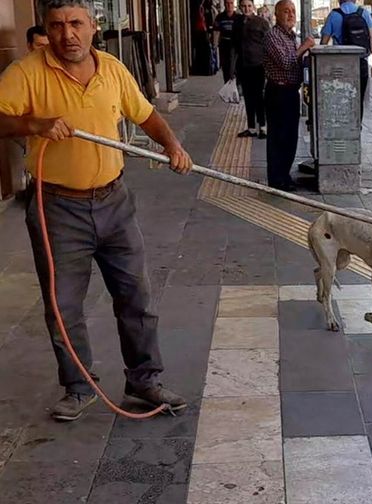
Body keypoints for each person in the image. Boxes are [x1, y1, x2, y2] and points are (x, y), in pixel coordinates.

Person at [0, 0, 193, 422]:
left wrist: (172, 145)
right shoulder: (26, 73)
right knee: (63, 304)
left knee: (135, 295)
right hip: (57, 207)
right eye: (57, 26)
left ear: (93, 27)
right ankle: (77, 386)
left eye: (75, 24)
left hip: (114, 201)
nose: (67, 34)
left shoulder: (112, 69)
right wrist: (35, 124)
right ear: (46, 32)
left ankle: (144, 380)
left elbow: (144, 114)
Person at [264, 0, 314, 191]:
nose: (291, 15)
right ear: (277, 15)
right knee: (278, 137)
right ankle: (276, 180)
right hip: (278, 92)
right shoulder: (273, 36)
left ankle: (285, 175)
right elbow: (285, 62)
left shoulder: (291, 37)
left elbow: (294, 63)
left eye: (293, 11)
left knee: (290, 138)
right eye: (286, 11)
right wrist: (304, 47)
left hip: (291, 92)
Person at [321, 0, 372, 120]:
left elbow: (323, 44)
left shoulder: (334, 15)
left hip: (339, 65)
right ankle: (356, 129)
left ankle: (342, 127)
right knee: (358, 100)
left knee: (340, 99)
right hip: (361, 63)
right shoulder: (364, 13)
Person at [234, 0, 271, 138]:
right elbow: (234, 46)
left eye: (249, 6)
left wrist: (268, 65)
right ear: (240, 7)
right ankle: (251, 128)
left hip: (258, 65)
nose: (246, 9)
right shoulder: (237, 23)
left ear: (253, 7)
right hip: (243, 66)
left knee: (258, 96)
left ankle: (263, 127)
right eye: (243, 6)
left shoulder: (261, 22)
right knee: (248, 97)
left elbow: (269, 44)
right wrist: (233, 68)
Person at [213, 0, 239, 83]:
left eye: (231, 3)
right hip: (224, 45)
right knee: (226, 67)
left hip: (235, 45)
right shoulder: (220, 17)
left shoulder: (238, 17)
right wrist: (215, 45)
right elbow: (216, 31)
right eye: (227, 3)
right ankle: (227, 86)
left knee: (234, 67)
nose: (229, 5)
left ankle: (235, 86)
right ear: (224, 4)